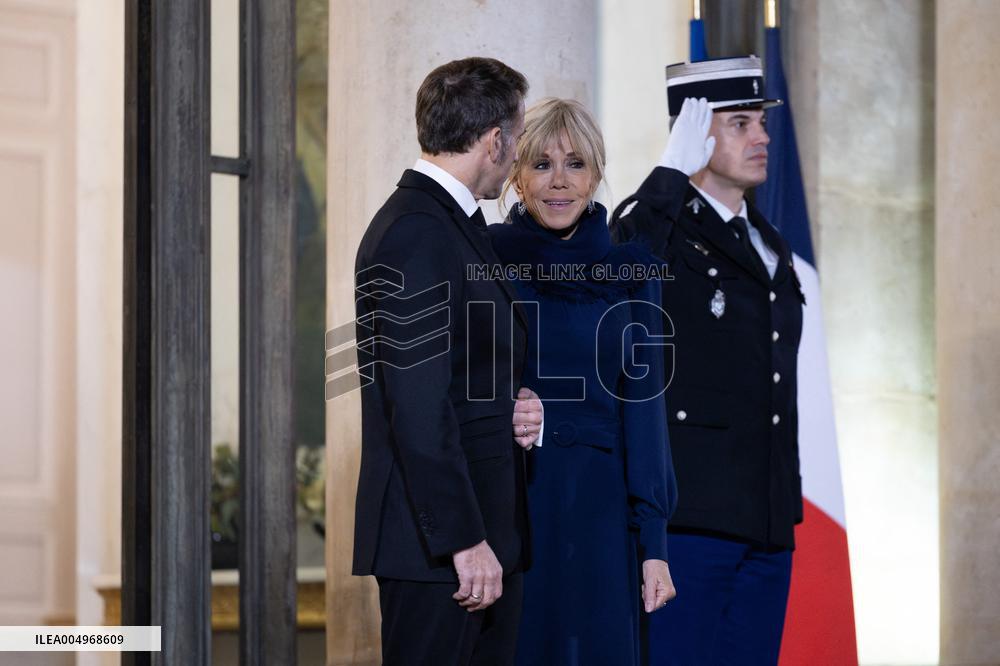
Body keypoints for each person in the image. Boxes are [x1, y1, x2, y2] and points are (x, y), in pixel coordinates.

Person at [610, 56, 806, 665]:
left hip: (766, 518)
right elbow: (623, 264)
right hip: (691, 519)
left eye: (761, 123)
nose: (763, 137)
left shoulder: (768, 240)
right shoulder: (663, 227)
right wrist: (669, 173)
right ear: (695, 132)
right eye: (742, 123)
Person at [352, 57, 544, 666]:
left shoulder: (447, 225)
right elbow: (415, 406)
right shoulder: (417, 231)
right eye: (516, 139)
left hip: (475, 544)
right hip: (443, 555)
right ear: (496, 141)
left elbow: (457, 376)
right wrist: (464, 541)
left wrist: (515, 398)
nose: (515, 156)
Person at [487, 98, 678, 666]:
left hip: (603, 518)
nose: (559, 182)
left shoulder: (633, 274)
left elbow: (646, 415)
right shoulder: (487, 260)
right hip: (515, 509)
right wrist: (510, 409)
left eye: (575, 164)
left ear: (596, 174)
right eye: (541, 165)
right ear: (516, 177)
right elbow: (455, 389)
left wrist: (654, 546)